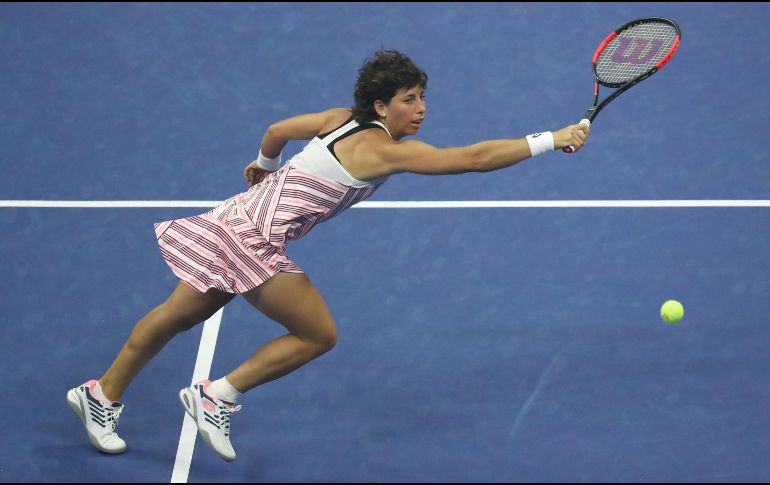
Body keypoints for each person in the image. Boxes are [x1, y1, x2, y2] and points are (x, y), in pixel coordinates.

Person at [66, 49, 590, 462]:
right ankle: (216, 395)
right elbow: (473, 159)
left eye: (423, 96)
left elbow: (275, 131)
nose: (422, 108)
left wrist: (264, 164)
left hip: (230, 219)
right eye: (409, 99)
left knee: (173, 317)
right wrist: (552, 138)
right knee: (317, 335)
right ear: (381, 106)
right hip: (252, 242)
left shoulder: (337, 118)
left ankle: (101, 394)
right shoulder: (385, 150)